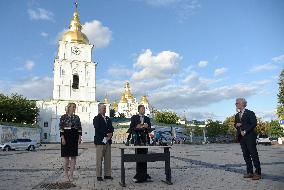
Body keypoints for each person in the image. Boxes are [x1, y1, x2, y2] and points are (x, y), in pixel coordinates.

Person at [234, 98, 261, 180]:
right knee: (246, 155)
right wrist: (236, 125)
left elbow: (254, 123)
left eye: (237, 103)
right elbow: (235, 125)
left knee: (253, 154)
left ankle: (258, 173)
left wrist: (245, 131)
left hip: (250, 136)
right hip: (241, 138)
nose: (236, 104)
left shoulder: (250, 113)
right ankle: (250, 172)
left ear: (242, 103)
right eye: (236, 103)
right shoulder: (236, 115)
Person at [128, 105, 151, 183]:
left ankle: (145, 174)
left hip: (145, 140)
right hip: (137, 140)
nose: (143, 110)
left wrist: (147, 127)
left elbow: (150, 129)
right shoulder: (134, 117)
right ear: (139, 110)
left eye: (144, 109)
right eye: (142, 109)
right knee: (138, 157)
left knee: (145, 157)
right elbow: (131, 128)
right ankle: (138, 175)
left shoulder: (147, 118)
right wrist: (137, 127)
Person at [59, 103, 82, 182]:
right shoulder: (63, 117)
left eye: (75, 107)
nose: (74, 108)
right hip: (66, 136)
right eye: (73, 107)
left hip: (74, 137)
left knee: (73, 157)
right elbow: (61, 128)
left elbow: (79, 128)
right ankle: (66, 175)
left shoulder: (77, 117)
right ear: (68, 107)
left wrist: (79, 138)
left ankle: (71, 175)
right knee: (66, 158)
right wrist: (62, 138)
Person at [93, 104, 114, 181]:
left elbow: (111, 128)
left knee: (108, 158)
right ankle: (99, 175)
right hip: (100, 141)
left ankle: (107, 174)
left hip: (108, 141)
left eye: (105, 108)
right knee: (99, 159)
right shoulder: (96, 118)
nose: (104, 109)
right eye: (103, 108)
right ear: (99, 109)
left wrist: (111, 134)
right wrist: (106, 134)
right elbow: (97, 128)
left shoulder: (108, 118)